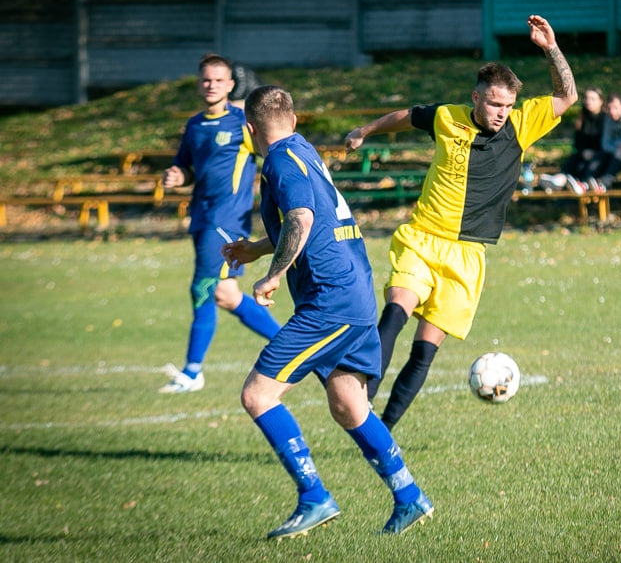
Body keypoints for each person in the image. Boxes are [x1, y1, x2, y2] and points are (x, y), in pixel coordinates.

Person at [343, 15, 577, 430]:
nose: (502, 112)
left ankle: (381, 434)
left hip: (468, 255)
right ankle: (361, 403)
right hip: (422, 239)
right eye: (494, 103)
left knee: (424, 352)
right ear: (476, 97)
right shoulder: (447, 118)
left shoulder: (522, 125)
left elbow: (568, 96)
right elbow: (406, 115)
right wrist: (365, 129)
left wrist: (550, 48)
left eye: (507, 105)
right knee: (395, 312)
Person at [221, 85, 433, 539]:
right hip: (355, 291)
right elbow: (311, 218)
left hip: (329, 303)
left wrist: (273, 275)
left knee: (258, 396)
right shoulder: (301, 149)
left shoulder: (277, 160)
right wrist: (259, 249)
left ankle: (314, 497)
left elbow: (302, 219)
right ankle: (409, 496)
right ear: (294, 121)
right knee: (348, 404)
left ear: (250, 129)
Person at [159, 53, 281, 394]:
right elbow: (184, 168)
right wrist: (175, 175)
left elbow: (273, 152)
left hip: (227, 220)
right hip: (201, 216)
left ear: (230, 85)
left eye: (218, 80)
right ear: (199, 83)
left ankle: (192, 371)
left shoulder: (243, 122)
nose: (211, 85)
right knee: (227, 295)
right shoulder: (195, 125)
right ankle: (292, 346)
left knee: (202, 289)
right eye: (205, 79)